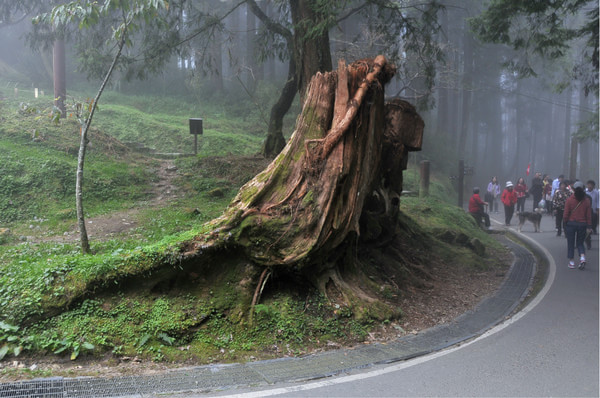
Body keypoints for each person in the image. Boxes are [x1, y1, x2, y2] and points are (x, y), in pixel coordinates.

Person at [563, 181, 592, 269]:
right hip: (582, 224)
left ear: (573, 189)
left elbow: (566, 214)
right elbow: (588, 215)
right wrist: (589, 226)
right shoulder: (586, 200)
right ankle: (582, 258)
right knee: (580, 242)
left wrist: (565, 222)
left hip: (571, 223)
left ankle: (571, 262)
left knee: (571, 242)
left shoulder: (570, 199)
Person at [585, 180, 598, 249]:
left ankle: (588, 240)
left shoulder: (596, 193)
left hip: (593, 210)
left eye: (591, 185)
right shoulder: (584, 192)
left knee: (591, 224)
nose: (589, 186)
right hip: (584, 212)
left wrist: (598, 208)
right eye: (588, 184)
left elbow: (598, 201)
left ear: (593, 186)